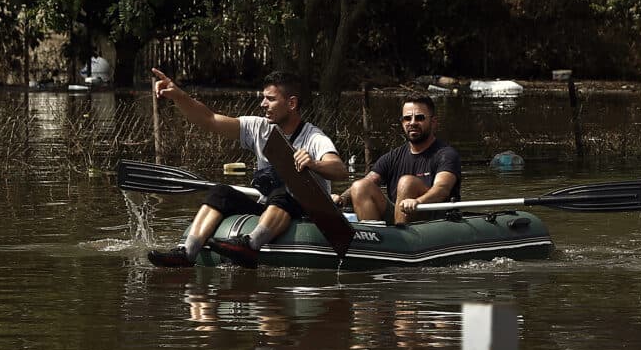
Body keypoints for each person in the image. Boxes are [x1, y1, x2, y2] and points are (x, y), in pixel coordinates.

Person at [144, 69, 349, 268]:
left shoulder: (314, 137)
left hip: (301, 212)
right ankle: (187, 253)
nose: (263, 104)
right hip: (270, 208)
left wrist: (314, 164)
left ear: (292, 103)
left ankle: (251, 246)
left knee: (284, 195)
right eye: (263, 98)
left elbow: (339, 169)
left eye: (270, 99)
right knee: (220, 192)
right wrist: (179, 96)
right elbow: (210, 120)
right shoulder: (259, 127)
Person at [343, 94, 462, 224]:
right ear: (402, 123)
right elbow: (369, 180)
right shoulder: (392, 157)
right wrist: (342, 198)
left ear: (433, 122)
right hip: (399, 214)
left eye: (419, 118)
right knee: (360, 186)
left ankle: (400, 236)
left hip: (432, 219)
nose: (412, 123)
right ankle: (376, 237)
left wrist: (418, 201)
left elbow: (441, 189)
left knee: (407, 182)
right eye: (407, 118)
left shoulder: (446, 154)